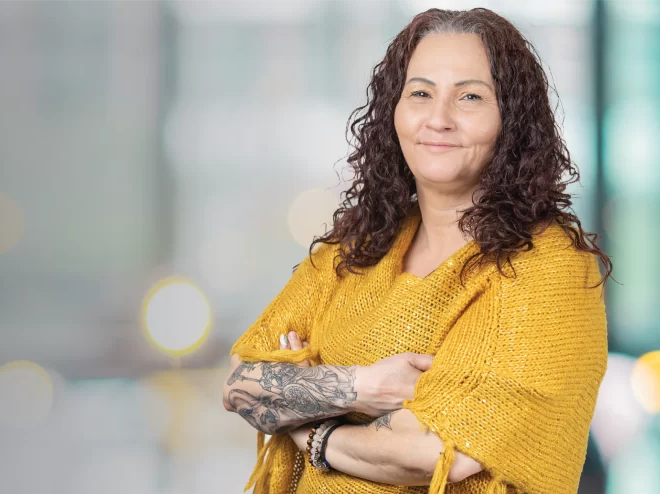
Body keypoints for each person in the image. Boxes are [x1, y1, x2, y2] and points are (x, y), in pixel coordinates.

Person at [222, 7, 611, 494]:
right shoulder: (358, 248)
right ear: (394, 112)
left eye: (470, 96)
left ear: (511, 120)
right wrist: (364, 386)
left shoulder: (548, 268)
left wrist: (307, 426)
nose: (439, 119)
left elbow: (431, 450)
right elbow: (241, 383)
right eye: (421, 93)